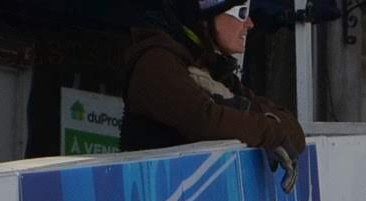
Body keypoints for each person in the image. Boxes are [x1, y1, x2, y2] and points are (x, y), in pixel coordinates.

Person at [120, 0, 306, 163]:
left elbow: (295, 133)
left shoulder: (211, 65)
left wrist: (266, 123)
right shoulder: (155, 62)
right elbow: (204, 121)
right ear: (206, 18)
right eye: (241, 13)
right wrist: (271, 131)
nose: (250, 24)